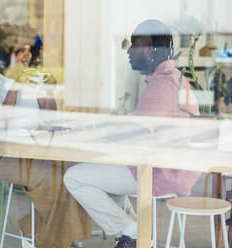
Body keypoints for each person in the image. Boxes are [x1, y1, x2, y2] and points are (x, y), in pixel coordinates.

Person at [63, 19, 200, 248]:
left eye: (133, 45)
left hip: (159, 172)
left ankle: (134, 234)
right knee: (102, 176)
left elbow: (134, 131)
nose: (128, 52)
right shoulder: (170, 78)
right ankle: (130, 237)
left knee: (74, 177)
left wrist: (93, 132)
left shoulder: (163, 84)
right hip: (166, 167)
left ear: (147, 48)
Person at [0, 24, 91, 248]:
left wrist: (46, 93)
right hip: (10, 157)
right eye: (20, 50)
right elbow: (1, 123)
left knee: (79, 173)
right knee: (55, 179)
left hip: (40, 150)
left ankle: (37, 231)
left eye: (29, 49)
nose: (26, 55)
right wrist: (17, 86)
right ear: (7, 52)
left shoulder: (32, 77)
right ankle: (62, 236)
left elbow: (50, 121)